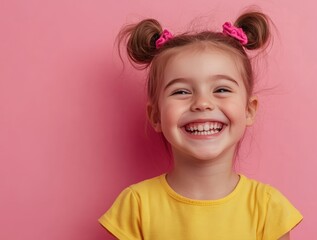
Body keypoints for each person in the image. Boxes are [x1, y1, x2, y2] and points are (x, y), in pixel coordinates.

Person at [99, 10, 303, 240]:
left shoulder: (267, 207)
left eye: (221, 89)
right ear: (155, 116)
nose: (202, 103)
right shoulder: (135, 206)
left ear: (248, 110)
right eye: (182, 91)